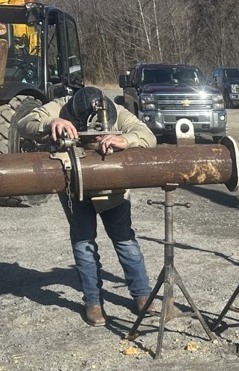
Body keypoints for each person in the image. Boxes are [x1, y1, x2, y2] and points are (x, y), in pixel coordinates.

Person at [18, 87, 157, 326]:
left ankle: (143, 295)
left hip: (112, 189)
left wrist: (125, 139)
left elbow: (147, 135)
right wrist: (52, 122)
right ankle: (93, 302)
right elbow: (24, 123)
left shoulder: (116, 110)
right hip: (75, 187)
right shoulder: (62, 106)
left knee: (125, 241)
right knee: (83, 244)